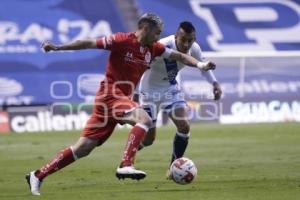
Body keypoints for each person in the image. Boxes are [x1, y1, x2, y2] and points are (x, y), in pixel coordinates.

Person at [25, 14, 216, 196]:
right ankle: (125, 164)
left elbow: (181, 57)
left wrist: (200, 65)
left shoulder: (154, 48)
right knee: (144, 119)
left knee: (83, 148)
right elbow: (88, 43)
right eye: (157, 33)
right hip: (110, 94)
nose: (159, 37)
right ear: (146, 28)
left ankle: (38, 175)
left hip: (119, 100)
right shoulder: (122, 40)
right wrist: (58, 47)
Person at [135, 21, 222, 177]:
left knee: (184, 126)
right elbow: (140, 65)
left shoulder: (194, 49)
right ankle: (130, 152)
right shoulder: (161, 45)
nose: (187, 44)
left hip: (170, 89)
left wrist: (215, 83)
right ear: (176, 36)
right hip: (149, 93)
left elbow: (202, 66)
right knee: (148, 140)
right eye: (183, 40)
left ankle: (173, 167)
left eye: (191, 40)